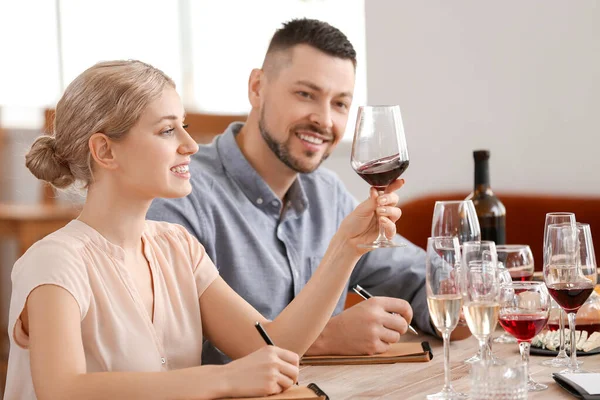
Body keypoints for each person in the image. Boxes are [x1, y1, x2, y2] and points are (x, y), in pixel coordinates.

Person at [5, 60, 405, 400]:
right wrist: (224, 379)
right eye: (167, 130)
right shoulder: (54, 262)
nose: (191, 145)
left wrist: (347, 247)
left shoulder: (177, 247)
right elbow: (63, 390)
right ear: (105, 151)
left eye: (185, 126)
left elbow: (272, 344)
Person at [147, 18, 461, 366]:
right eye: (305, 94)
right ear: (257, 88)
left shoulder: (328, 195)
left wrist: (484, 291)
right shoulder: (178, 195)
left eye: (340, 104)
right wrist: (325, 337)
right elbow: (169, 352)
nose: (324, 120)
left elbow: (423, 281)